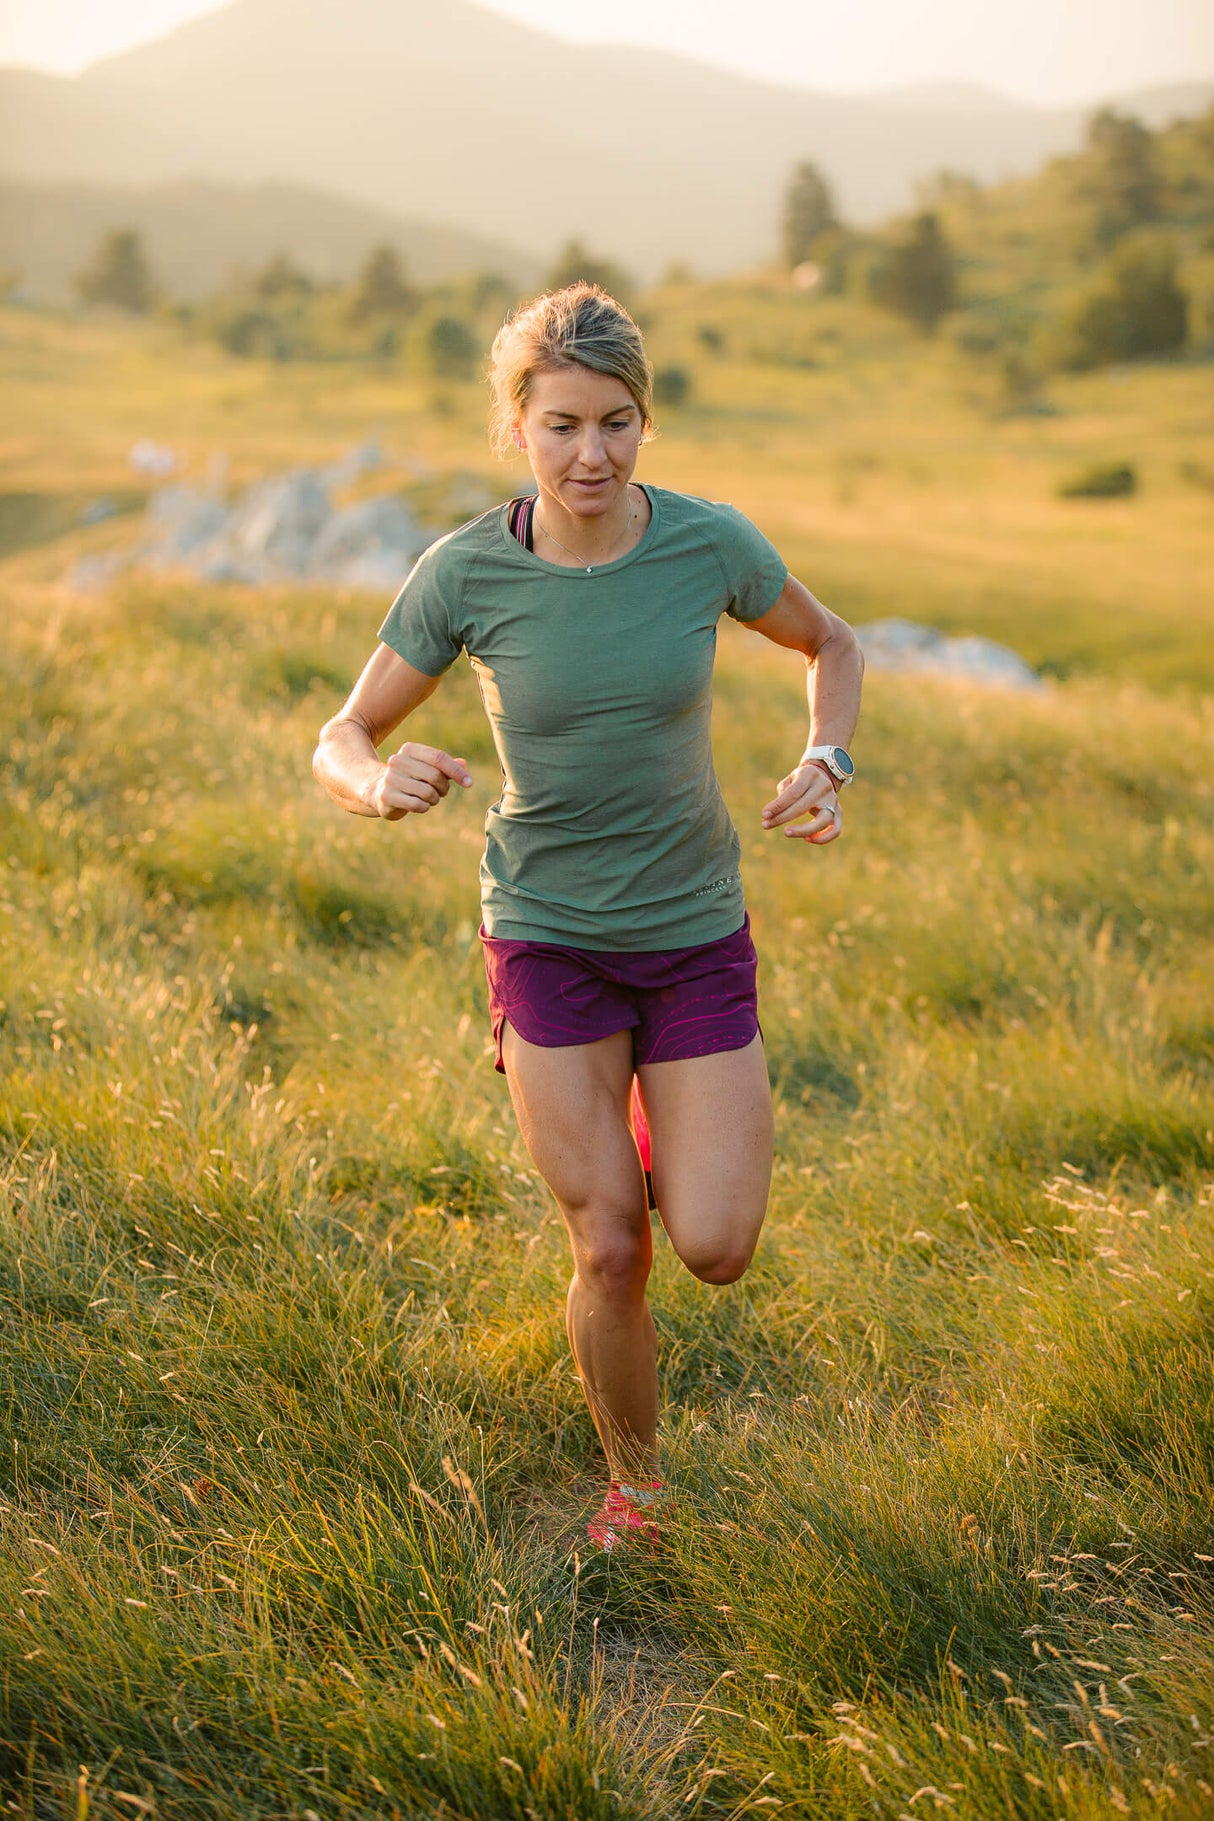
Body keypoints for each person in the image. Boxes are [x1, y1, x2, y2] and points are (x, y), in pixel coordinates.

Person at [313, 283, 863, 1552]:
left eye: (615, 422)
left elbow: (829, 643)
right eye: (560, 425)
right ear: (517, 427)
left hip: (691, 931)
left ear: (643, 420)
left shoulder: (706, 544)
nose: (591, 455)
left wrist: (825, 761)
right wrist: (373, 783)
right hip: (546, 933)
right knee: (611, 1248)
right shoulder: (464, 570)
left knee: (713, 1245)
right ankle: (639, 1491)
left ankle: (657, 1124)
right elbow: (343, 733)